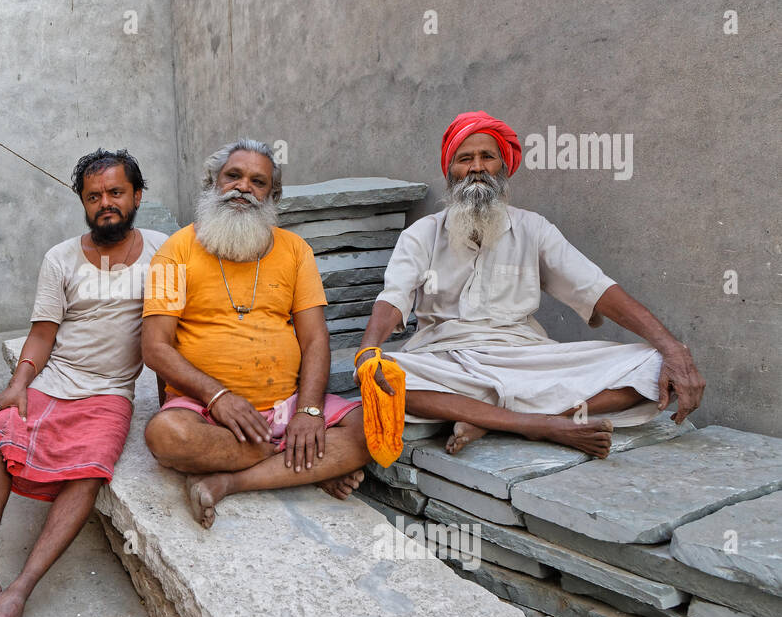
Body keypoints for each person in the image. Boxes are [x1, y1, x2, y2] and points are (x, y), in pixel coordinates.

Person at [356, 110, 706, 458]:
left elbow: (596, 290)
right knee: (385, 376)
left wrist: (674, 350)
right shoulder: (423, 234)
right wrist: (368, 351)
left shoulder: (533, 228)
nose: (476, 167)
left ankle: (505, 420)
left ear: (503, 168)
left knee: (655, 365)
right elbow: (394, 298)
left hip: (526, 357)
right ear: (451, 172)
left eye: (487, 157)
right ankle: (536, 422)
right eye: (465, 159)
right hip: (446, 360)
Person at [0, 149, 167, 617]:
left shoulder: (165, 254)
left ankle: (18, 591)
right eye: (94, 195)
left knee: (88, 470)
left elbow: (172, 334)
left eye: (116, 193)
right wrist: (19, 384)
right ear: (83, 201)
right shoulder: (60, 258)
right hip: (54, 382)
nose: (105, 203)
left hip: (109, 395)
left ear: (137, 196)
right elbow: (42, 335)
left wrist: (171, 399)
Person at [141, 140, 370, 529]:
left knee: (370, 431)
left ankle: (229, 480)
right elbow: (154, 347)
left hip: (287, 403)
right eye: (233, 176)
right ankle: (305, 463)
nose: (243, 187)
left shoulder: (295, 250)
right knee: (165, 436)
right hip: (207, 411)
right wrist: (217, 396)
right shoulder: (173, 251)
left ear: (272, 195)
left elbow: (315, 340)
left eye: (257, 181)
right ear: (213, 183)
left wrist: (309, 411)